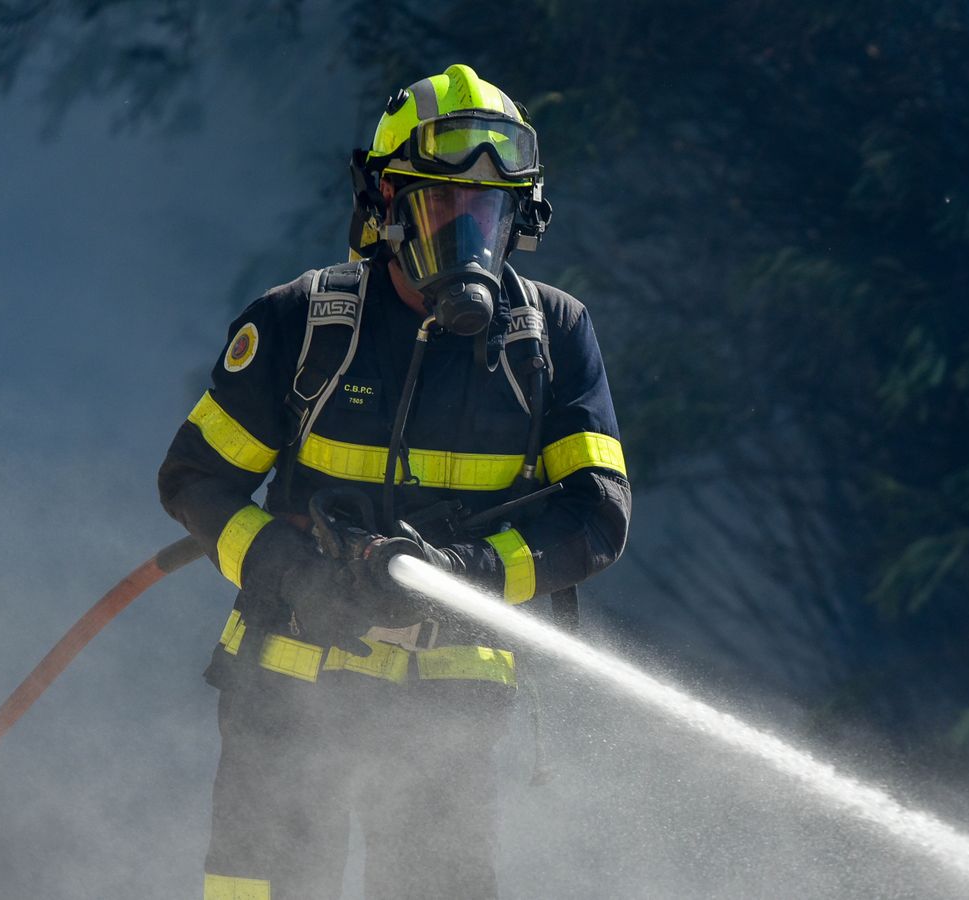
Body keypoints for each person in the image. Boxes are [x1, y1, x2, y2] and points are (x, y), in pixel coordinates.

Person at [157, 63, 630, 899]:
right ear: (385, 204)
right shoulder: (301, 322)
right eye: (439, 202)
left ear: (520, 216)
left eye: (487, 208)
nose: (465, 227)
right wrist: (293, 571)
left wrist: (467, 578)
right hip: (285, 684)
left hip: (446, 709)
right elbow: (195, 482)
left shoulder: (552, 336)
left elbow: (597, 518)